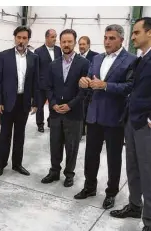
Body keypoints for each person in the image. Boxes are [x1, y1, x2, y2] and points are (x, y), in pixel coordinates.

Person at [74, 24, 137, 210]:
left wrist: (106, 85)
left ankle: (111, 193)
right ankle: (89, 187)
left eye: (112, 38)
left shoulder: (131, 60)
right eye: (105, 38)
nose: (107, 41)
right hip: (94, 115)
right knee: (90, 155)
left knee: (113, 158)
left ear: (121, 40)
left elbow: (130, 87)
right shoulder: (97, 58)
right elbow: (88, 79)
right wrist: (83, 82)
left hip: (115, 117)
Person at [110, 17, 151, 231]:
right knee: (133, 168)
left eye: (136, 32)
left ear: (150, 33)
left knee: (147, 171)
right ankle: (135, 205)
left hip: (146, 124)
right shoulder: (140, 59)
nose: (132, 37)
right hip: (132, 121)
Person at [40, 29, 89, 187]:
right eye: (63, 41)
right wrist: (53, 104)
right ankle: (54, 171)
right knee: (55, 143)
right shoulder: (53, 64)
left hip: (74, 113)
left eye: (69, 41)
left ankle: (69, 174)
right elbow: (48, 87)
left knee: (72, 146)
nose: (66, 44)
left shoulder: (84, 64)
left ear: (74, 42)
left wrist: (70, 105)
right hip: (55, 112)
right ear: (59, 43)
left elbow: (85, 91)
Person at [0, 26, 39, 177]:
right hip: (7, 102)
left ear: (28, 40)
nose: (21, 41)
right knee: (5, 134)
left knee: (20, 135)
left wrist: (35, 102)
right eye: (19, 37)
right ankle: (1, 164)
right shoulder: (3, 56)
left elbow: (35, 82)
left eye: (24, 38)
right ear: (14, 37)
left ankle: (17, 164)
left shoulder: (34, 58)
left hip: (23, 101)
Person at [34, 29, 62, 132]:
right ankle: (40, 124)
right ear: (46, 37)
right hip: (42, 85)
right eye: (52, 37)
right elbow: (36, 70)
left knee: (53, 104)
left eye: (55, 37)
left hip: (55, 85)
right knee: (40, 106)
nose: (55, 39)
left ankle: (51, 122)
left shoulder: (59, 50)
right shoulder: (38, 51)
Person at [78, 36, 99, 136]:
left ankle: (89, 131)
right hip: (78, 90)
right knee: (80, 111)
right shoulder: (76, 57)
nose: (81, 46)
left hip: (90, 90)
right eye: (80, 44)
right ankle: (81, 131)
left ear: (89, 45)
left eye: (83, 44)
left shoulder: (95, 57)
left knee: (87, 112)